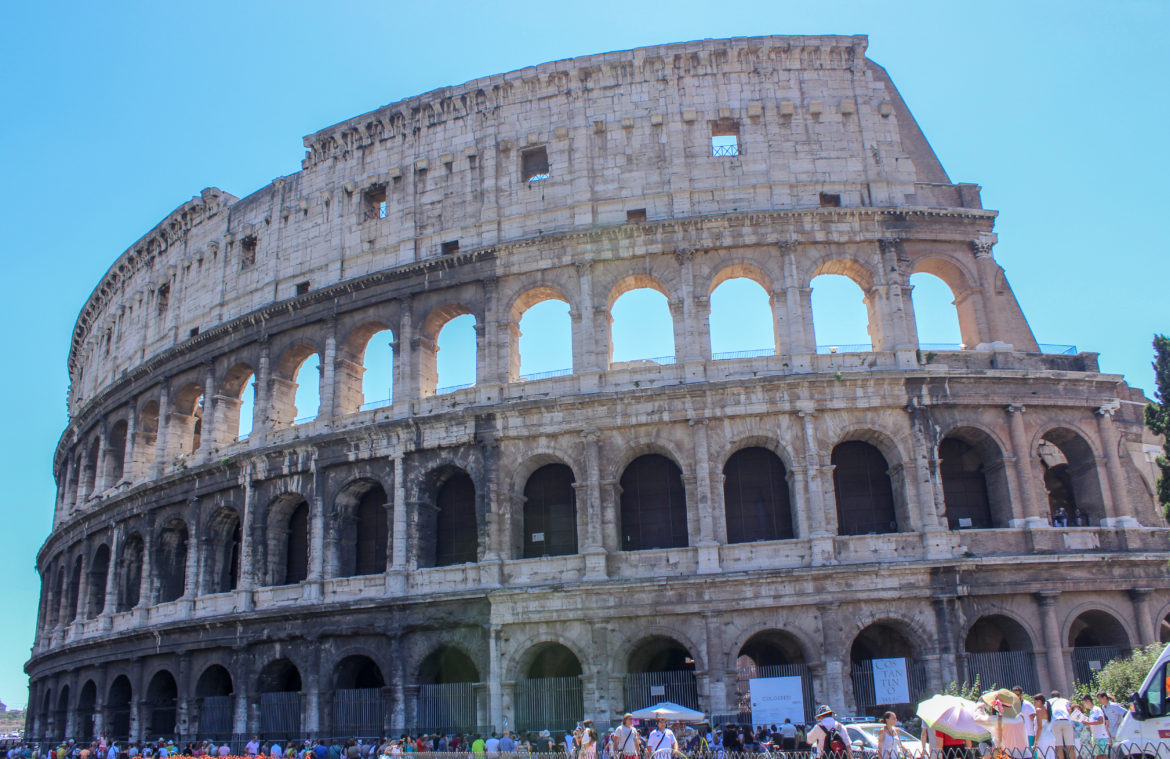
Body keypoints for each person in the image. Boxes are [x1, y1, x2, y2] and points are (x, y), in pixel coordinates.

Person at [1077, 695, 1110, 759]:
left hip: (1101, 737)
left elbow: (1101, 721)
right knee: (1098, 756)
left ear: (1088, 701)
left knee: (1103, 756)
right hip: (1096, 737)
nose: (1084, 705)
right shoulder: (1091, 711)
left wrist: (1088, 723)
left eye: (1084, 703)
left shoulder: (1096, 709)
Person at [1047, 691, 1075, 759]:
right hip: (1066, 721)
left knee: (1059, 746)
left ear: (1051, 696)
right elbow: (1069, 711)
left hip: (1055, 721)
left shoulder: (1049, 701)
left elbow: (1048, 712)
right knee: (1070, 745)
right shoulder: (1065, 700)